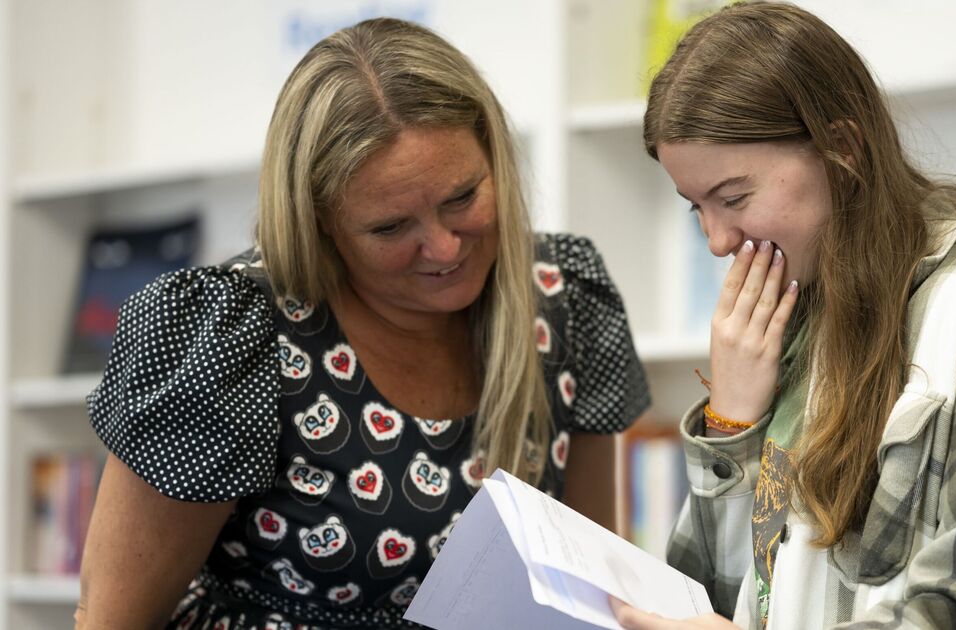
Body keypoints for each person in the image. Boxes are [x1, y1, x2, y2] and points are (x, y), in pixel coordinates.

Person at [76, 17, 649, 629]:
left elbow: (594, 592)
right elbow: (111, 618)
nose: (445, 247)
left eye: (462, 197)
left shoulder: (562, 296)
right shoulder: (235, 335)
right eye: (390, 228)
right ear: (318, 220)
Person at [610, 3, 956, 629]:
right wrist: (731, 422)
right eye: (695, 207)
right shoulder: (793, 321)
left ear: (842, 148)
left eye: (733, 198)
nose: (717, 241)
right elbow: (714, 601)